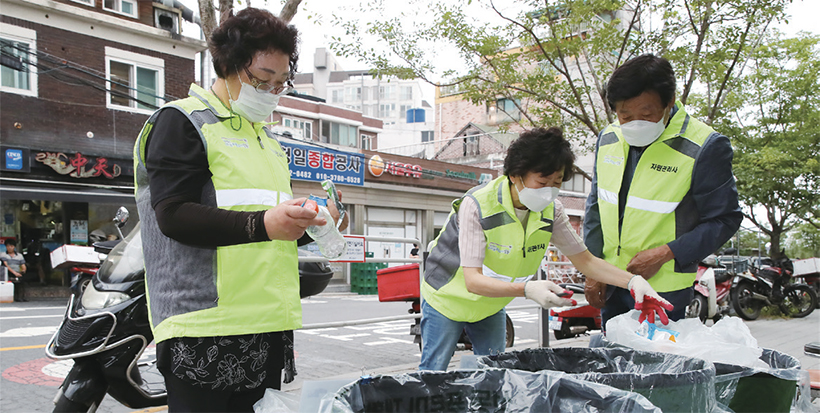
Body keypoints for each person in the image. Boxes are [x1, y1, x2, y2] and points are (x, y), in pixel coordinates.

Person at [133, 8, 346, 412]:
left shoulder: (267, 143)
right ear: (227, 65)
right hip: (202, 327)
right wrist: (267, 224)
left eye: (281, 82)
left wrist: (312, 223)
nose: (271, 90)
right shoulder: (182, 123)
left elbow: (270, 230)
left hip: (263, 323)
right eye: (262, 79)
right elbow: (173, 215)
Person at [419, 127, 672, 371]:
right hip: (447, 300)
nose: (550, 191)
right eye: (542, 182)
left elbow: (586, 261)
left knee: (495, 373)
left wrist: (633, 281)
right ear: (516, 176)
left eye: (557, 182)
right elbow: (473, 281)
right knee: (432, 374)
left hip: (491, 303)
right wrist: (527, 289)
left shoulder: (552, 212)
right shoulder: (478, 205)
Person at [584, 54, 742, 331]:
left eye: (646, 114)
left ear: (669, 102)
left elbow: (725, 219)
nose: (635, 123)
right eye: (625, 115)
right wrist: (593, 269)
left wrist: (666, 253)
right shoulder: (608, 138)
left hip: (663, 290)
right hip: (611, 282)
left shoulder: (704, 146)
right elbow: (597, 206)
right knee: (612, 364)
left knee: (655, 369)